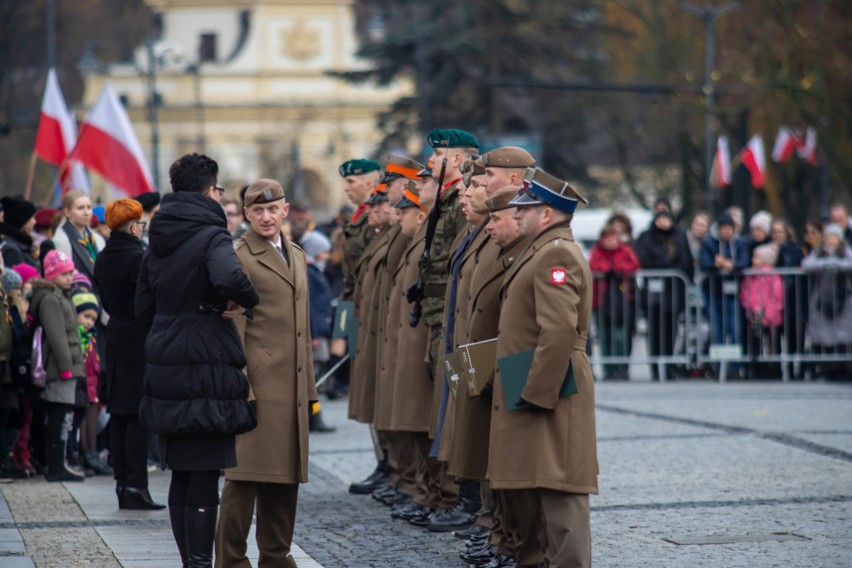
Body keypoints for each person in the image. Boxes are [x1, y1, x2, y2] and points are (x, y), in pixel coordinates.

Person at [136, 153, 259, 567]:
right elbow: (229, 277)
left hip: (165, 356)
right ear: (210, 191)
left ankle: (190, 563)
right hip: (205, 357)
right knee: (206, 468)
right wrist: (247, 302)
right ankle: (201, 565)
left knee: (182, 471)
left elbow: (142, 307)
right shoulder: (211, 234)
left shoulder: (159, 236)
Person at [492, 168, 598, 567]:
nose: (516, 214)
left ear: (548, 213)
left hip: (551, 389)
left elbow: (557, 333)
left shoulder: (555, 253)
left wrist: (534, 395)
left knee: (560, 497)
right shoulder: (541, 249)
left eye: (526, 207)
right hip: (542, 385)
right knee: (540, 493)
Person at [215, 179, 317, 568]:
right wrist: (241, 387)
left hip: (291, 387)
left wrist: (308, 390)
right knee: (243, 480)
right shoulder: (238, 255)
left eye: (272, 209)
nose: (266, 216)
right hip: (257, 385)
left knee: (285, 478)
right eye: (257, 211)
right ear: (246, 215)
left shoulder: (297, 254)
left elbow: (302, 329)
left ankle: (276, 556)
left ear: (285, 211)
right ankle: (231, 560)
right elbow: (233, 327)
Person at [93, 198, 163, 510]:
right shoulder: (139, 256)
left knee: (120, 413)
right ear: (134, 226)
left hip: (116, 336)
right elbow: (149, 299)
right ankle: (136, 485)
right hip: (138, 336)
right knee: (135, 415)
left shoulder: (104, 257)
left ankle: (123, 484)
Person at [29, 250, 86, 482]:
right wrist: (65, 367)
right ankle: (55, 466)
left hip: (67, 366)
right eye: (64, 273)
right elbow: (57, 336)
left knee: (63, 416)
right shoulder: (52, 299)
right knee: (59, 416)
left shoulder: (61, 295)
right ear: (52, 274)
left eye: (71, 272)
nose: (69, 277)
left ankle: (58, 464)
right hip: (60, 368)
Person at [634, 210, 695, 380]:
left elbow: (686, 262)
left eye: (666, 219)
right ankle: (655, 368)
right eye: (660, 219)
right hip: (653, 296)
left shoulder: (679, 237)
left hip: (674, 292)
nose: (663, 222)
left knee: (671, 332)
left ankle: (669, 367)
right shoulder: (646, 237)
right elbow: (642, 260)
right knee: (654, 332)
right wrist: (667, 265)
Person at [699, 212, 748, 376]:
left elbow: (743, 262)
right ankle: (719, 366)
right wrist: (717, 263)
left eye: (730, 228)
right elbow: (704, 263)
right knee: (717, 331)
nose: (728, 231)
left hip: (733, 294)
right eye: (725, 228)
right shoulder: (708, 242)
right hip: (713, 292)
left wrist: (729, 265)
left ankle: (735, 368)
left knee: (735, 330)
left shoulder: (739, 242)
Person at [590, 223, 640, 380]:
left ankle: (621, 368)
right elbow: (593, 266)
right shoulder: (597, 252)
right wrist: (607, 269)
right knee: (604, 336)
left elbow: (634, 265)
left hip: (621, 301)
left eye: (614, 238)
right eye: (608, 238)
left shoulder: (625, 250)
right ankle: (608, 369)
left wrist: (618, 269)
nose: (612, 241)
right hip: (600, 302)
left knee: (621, 336)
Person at [802, 224, 852, 381]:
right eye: (829, 236)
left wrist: (838, 265)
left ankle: (843, 370)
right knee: (823, 336)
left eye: (834, 237)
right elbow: (806, 264)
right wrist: (824, 264)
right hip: (822, 300)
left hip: (843, 300)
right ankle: (825, 370)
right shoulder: (818, 252)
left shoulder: (845, 252)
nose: (831, 240)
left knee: (842, 335)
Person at [70, 290, 112, 475]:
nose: (89, 322)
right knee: (76, 423)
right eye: (86, 316)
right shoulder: (77, 337)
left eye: (93, 319)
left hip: (90, 386)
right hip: (79, 386)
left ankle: (91, 453)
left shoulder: (91, 337)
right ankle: (82, 454)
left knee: (89, 418)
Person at [300, 230, 336, 433]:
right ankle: (314, 416)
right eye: (323, 251)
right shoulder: (309, 272)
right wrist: (312, 334)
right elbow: (310, 305)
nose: (327, 255)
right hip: (315, 332)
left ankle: (314, 415)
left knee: (314, 377)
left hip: (319, 329)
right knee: (312, 378)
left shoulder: (314, 271)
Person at [740, 245, 783, 379]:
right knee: (755, 338)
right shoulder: (750, 274)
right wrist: (750, 308)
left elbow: (777, 296)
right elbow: (745, 293)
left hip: (770, 315)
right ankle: (756, 368)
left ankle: (774, 368)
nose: (753, 259)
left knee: (772, 342)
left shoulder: (772, 275)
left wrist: (768, 312)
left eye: (757, 257)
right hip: (755, 314)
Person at [771, 220, 806, 379]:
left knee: (793, 333)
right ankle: (776, 368)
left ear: (787, 233)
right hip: (773, 298)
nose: (778, 235)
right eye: (775, 231)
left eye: (780, 231)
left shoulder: (795, 249)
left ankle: (795, 369)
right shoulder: (768, 249)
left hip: (793, 296)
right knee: (774, 334)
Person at [52, 191, 106, 290]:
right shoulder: (61, 239)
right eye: (80, 208)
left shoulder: (98, 239)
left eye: (89, 207)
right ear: (68, 212)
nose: (86, 213)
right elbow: (63, 276)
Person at [0, 196, 38, 269]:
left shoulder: (21, 245)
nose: (35, 222)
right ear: (22, 219)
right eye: (32, 217)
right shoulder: (11, 250)